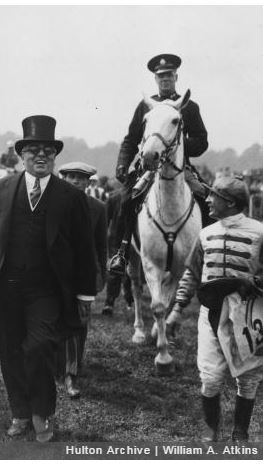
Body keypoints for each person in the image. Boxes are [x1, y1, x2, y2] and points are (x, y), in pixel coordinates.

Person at [0, 115, 97, 443]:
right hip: (6, 286)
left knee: (40, 346)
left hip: (48, 290)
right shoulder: (1, 189)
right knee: (10, 349)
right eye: (32, 150)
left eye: (47, 151)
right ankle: (20, 413)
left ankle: (43, 413)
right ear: (21, 155)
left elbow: (86, 249)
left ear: (54, 156)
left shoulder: (70, 197)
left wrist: (86, 294)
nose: (40, 156)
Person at [166, 176, 262, 443]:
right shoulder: (206, 234)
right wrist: (176, 310)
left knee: (249, 376)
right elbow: (192, 275)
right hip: (211, 314)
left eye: (213, 196)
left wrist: (253, 283)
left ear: (229, 202)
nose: (207, 199)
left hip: (249, 315)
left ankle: (240, 431)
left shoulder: (260, 233)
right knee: (210, 375)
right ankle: (210, 430)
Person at [108, 53, 209, 277]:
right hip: (148, 168)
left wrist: (181, 144)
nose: (165, 79)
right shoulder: (145, 106)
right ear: (155, 78)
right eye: (161, 75)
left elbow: (202, 141)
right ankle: (121, 252)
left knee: (207, 199)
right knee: (125, 200)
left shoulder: (189, 107)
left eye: (169, 75)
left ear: (176, 76)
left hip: (180, 169)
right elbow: (131, 139)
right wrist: (123, 164)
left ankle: (206, 257)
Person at [56, 161, 107, 398]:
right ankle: (52, 366)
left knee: (78, 324)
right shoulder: (50, 203)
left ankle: (71, 375)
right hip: (53, 273)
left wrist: (100, 276)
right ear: (63, 179)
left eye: (81, 177)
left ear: (89, 182)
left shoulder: (97, 208)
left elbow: (101, 246)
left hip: (82, 275)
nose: (76, 181)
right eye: (71, 177)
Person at [103, 180, 134, 315]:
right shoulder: (116, 196)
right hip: (120, 238)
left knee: (119, 270)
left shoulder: (115, 196)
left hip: (124, 238)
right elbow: (105, 220)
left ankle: (114, 301)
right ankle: (111, 302)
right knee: (117, 270)